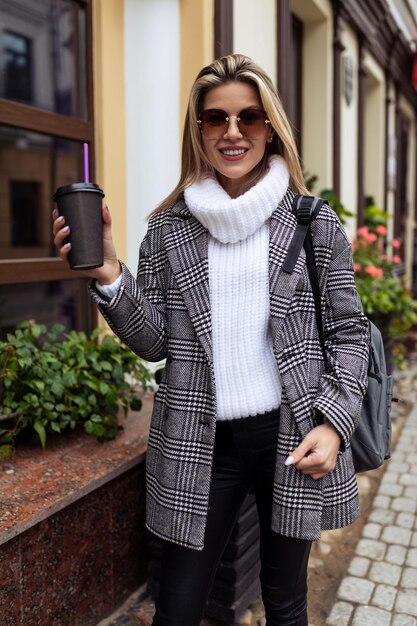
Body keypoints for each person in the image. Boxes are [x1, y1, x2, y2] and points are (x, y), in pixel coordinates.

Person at [53, 54, 369, 626]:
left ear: (270, 128)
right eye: (214, 118)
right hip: (201, 441)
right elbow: (154, 342)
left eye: (249, 117)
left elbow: (349, 334)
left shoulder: (311, 221)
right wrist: (108, 274)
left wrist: (332, 422)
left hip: (290, 438)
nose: (232, 132)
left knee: (287, 602)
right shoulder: (170, 227)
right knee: (176, 607)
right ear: (197, 130)